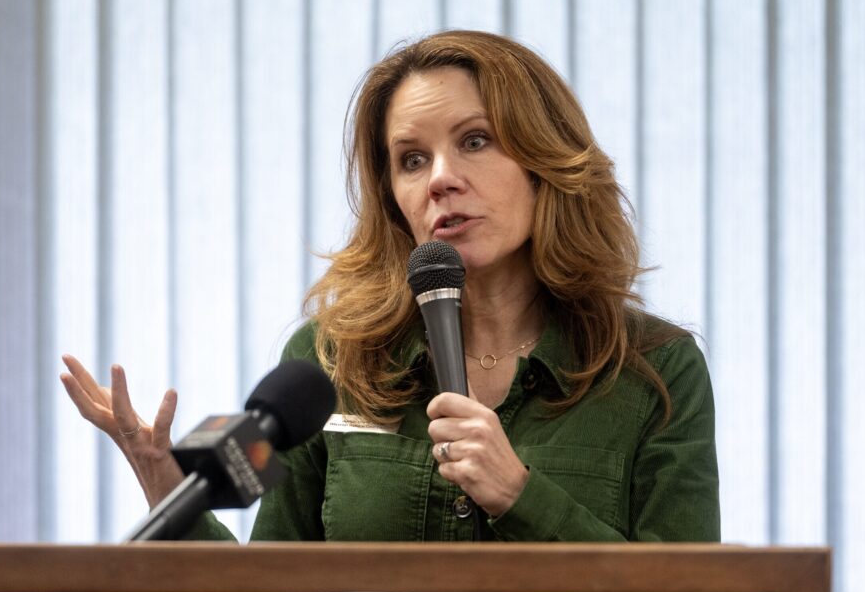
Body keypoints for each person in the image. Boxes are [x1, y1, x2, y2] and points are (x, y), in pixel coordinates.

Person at [61, 30, 719, 542]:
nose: (440, 178)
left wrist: (520, 494)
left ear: (546, 161)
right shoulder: (327, 365)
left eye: (476, 140)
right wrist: (170, 493)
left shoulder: (655, 371)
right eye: (411, 159)